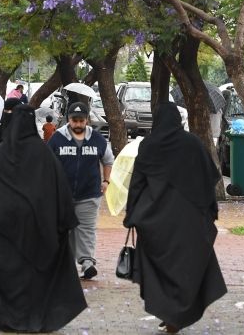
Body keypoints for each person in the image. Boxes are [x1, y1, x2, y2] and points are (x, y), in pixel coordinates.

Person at [0, 105, 86, 332]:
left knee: (8, 275)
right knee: (35, 277)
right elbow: (60, 190)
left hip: (4, 230)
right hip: (39, 229)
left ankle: (8, 318)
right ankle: (36, 318)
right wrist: (61, 223)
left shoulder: (0, 155)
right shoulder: (45, 154)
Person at [124, 102, 226, 333]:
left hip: (156, 220)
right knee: (185, 267)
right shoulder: (193, 144)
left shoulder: (149, 146)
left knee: (160, 267)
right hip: (190, 220)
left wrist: (131, 215)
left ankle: (170, 314)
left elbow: (137, 184)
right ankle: (176, 314)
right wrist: (211, 211)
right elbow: (210, 178)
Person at [47, 100, 114, 279]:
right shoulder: (57, 138)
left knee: (86, 229)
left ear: (87, 120)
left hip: (90, 193)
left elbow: (108, 161)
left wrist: (106, 181)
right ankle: (62, 263)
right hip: (62, 195)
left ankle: (87, 262)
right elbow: (47, 164)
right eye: (74, 120)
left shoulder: (97, 139)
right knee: (63, 229)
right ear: (68, 119)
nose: (78, 124)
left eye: (81, 121)